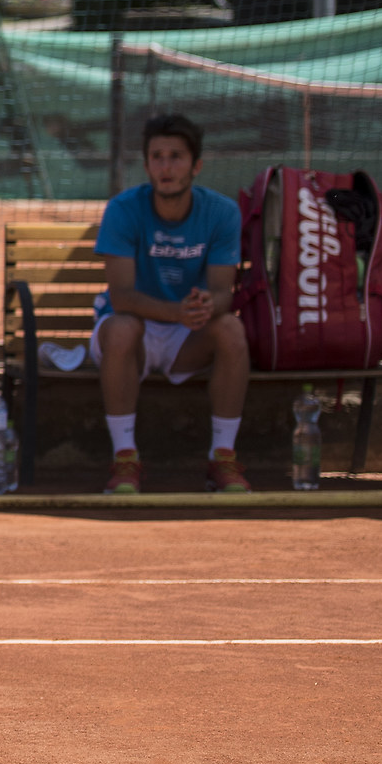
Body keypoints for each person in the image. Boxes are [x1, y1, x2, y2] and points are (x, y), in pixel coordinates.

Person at [93, 112, 250, 494]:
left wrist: (205, 305)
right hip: (135, 336)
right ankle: (125, 459)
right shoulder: (123, 209)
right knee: (119, 328)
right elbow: (121, 297)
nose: (166, 166)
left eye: (176, 157)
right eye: (157, 157)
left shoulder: (223, 212)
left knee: (231, 328)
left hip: (188, 338)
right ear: (146, 164)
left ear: (196, 165)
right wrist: (174, 312)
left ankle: (223, 457)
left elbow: (224, 293)